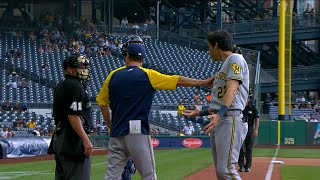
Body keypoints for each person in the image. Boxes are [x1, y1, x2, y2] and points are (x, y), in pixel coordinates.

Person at [96, 43, 214, 180]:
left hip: (117, 133)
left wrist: (111, 126)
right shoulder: (148, 74)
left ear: (127, 56)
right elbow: (176, 80)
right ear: (143, 59)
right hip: (137, 132)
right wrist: (202, 82)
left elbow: (102, 103)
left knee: (111, 177)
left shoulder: (113, 75)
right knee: (148, 175)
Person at [183, 30, 249, 180]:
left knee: (226, 170)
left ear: (216, 45)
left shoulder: (235, 59)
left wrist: (218, 116)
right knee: (221, 172)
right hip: (222, 118)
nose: (208, 51)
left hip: (229, 118)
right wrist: (200, 113)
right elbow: (219, 102)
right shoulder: (224, 65)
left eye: (209, 47)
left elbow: (232, 91)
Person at [49, 54, 93, 180]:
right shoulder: (75, 86)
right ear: (70, 69)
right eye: (80, 66)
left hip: (61, 136)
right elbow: (73, 116)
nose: (84, 69)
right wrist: (85, 139)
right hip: (72, 139)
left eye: (85, 66)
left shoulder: (62, 84)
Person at [238, 100, 259, 173]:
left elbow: (257, 118)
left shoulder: (252, 107)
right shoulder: (240, 107)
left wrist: (256, 129)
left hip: (250, 129)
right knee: (239, 147)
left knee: (249, 148)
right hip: (240, 129)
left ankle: (248, 166)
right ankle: (241, 165)